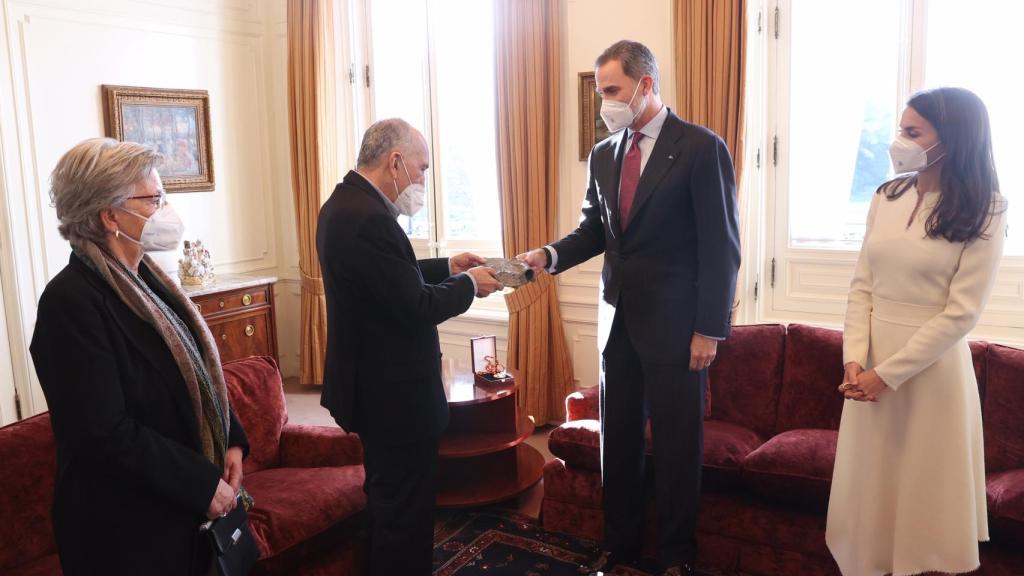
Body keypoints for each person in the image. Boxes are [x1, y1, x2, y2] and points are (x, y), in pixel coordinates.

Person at [520, 40, 740, 576]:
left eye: (612, 91)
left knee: (675, 448)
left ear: (645, 85)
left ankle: (675, 556)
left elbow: (722, 246)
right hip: (617, 326)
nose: (605, 103)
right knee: (615, 445)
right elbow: (594, 230)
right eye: (599, 92)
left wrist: (709, 329)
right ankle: (617, 545)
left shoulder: (700, 147)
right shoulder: (604, 154)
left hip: (678, 330)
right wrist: (547, 256)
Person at [30, 138, 250, 575]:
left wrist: (231, 440)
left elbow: (196, 373)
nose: (165, 210)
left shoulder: (149, 280)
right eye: (154, 199)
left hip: (177, 511)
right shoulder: (70, 302)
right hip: (126, 530)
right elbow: (103, 432)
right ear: (110, 216)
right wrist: (200, 482)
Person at [827, 87, 1006, 576]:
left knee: (925, 506)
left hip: (931, 376)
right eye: (900, 129)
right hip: (866, 378)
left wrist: (888, 374)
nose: (899, 141)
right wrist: (854, 360)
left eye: (912, 132)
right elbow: (861, 286)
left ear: (952, 139)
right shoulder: (886, 196)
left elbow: (962, 313)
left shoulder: (988, 209)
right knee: (870, 501)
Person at [317, 118, 503, 575]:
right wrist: (468, 284)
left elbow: (389, 274)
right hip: (393, 396)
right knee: (405, 510)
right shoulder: (367, 219)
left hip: (376, 386)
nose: (422, 181)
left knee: (391, 502)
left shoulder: (347, 203)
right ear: (395, 161)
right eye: (421, 169)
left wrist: (445, 265)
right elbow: (414, 305)